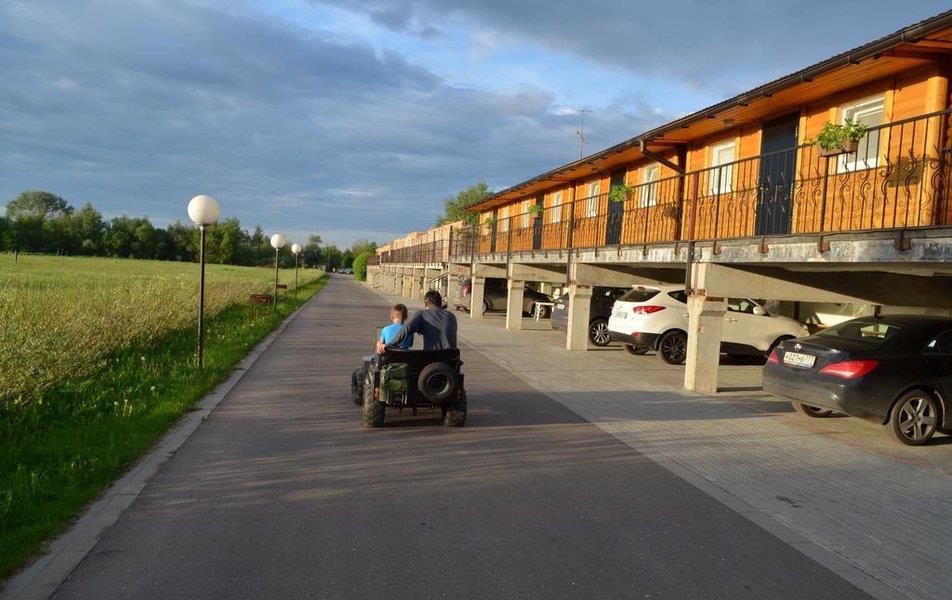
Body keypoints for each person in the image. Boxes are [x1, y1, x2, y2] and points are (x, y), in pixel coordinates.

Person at [377, 290, 457, 353]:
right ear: (440, 303)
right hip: (451, 357)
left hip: (431, 357)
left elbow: (405, 330)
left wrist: (388, 345)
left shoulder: (422, 314)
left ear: (426, 303)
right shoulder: (452, 316)